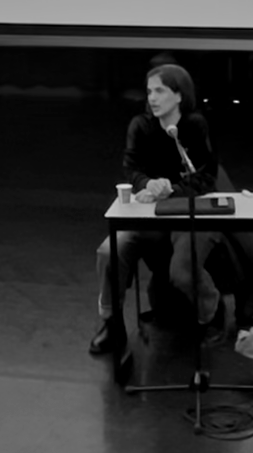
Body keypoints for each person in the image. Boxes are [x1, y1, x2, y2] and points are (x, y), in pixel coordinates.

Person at [90, 64, 221, 355]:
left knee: (182, 271)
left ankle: (210, 316)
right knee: (109, 251)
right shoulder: (140, 126)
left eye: (160, 91)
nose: (152, 98)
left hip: (188, 213)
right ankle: (112, 323)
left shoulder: (196, 125)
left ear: (179, 95)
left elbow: (207, 177)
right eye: (149, 91)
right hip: (149, 213)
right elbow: (132, 168)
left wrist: (172, 189)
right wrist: (147, 183)